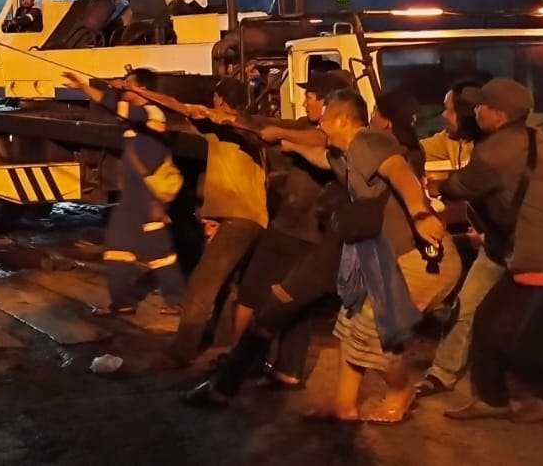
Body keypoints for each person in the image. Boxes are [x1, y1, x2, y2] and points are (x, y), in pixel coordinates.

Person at [180, 70, 355, 406]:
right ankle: (279, 370)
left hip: (303, 234)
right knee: (287, 303)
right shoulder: (313, 132)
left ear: (331, 104)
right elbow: (276, 133)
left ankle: (234, 370)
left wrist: (276, 132)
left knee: (261, 301)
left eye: (312, 95)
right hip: (297, 230)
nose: (306, 99)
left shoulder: (338, 141)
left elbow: (318, 144)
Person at [286, 89, 458, 423]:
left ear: (340, 119)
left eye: (323, 119)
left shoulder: (369, 142)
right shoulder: (349, 155)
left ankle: (399, 393)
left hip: (420, 260)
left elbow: (400, 174)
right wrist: (283, 139)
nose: (320, 126)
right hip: (388, 260)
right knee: (351, 327)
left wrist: (420, 215)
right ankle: (345, 404)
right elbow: (318, 155)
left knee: (374, 332)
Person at [439, 78, 543, 423]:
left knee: (517, 340)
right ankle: (492, 399)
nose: (474, 110)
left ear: (497, 114)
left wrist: (435, 183)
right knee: (486, 322)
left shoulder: (494, 152)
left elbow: (456, 188)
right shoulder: (534, 137)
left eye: (480, 106)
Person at [64, 70, 185, 317]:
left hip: (149, 197)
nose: (125, 90)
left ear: (143, 89)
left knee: (159, 253)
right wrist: (83, 86)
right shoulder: (134, 121)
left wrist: (119, 89)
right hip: (132, 197)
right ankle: (122, 302)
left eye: (131, 85)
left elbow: (120, 109)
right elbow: (108, 104)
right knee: (117, 248)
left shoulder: (154, 113)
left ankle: (178, 299)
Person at [167, 78, 266, 363]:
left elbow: (178, 107)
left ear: (220, 100)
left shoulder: (219, 126)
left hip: (239, 218)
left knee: (202, 283)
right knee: (229, 283)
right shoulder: (254, 126)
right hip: (255, 217)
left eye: (214, 99)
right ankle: (221, 341)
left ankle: (181, 351)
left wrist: (137, 91)